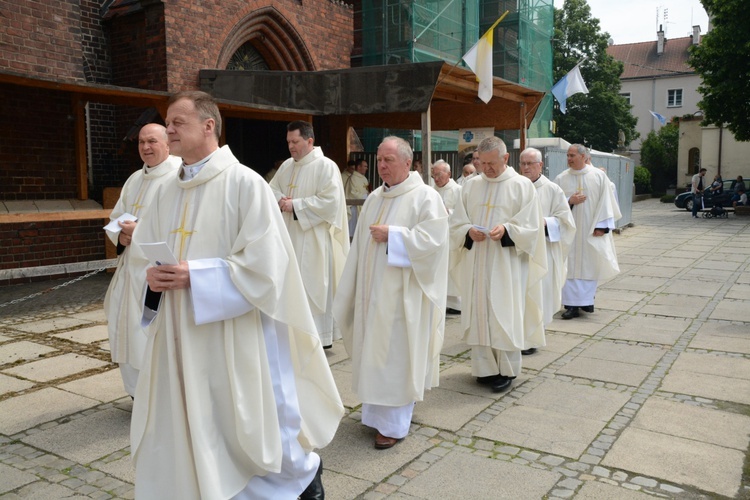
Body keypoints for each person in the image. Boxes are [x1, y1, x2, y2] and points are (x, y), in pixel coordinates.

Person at [130, 91, 343, 499]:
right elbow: (147, 253)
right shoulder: (164, 191)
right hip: (179, 328)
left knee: (243, 415)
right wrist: (152, 278)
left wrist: (198, 275)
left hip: (233, 327)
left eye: (178, 122)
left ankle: (299, 478)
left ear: (209, 126)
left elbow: (266, 267)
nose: (169, 130)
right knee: (197, 418)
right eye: (168, 123)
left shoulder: (245, 184)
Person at [333, 136, 449, 450]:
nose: (382, 166)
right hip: (372, 292)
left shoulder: (425, 197)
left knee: (396, 355)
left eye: (389, 160)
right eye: (380, 160)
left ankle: (394, 424)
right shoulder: (374, 199)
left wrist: (395, 236)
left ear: (407, 163)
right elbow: (359, 246)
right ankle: (375, 414)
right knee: (375, 352)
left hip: (403, 296)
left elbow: (435, 243)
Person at [450, 137, 546, 393]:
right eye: (482, 163)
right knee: (479, 311)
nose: (487, 169)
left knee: (504, 313)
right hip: (477, 261)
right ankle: (484, 369)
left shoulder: (522, 186)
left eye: (492, 163)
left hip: (506, 264)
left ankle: (506, 370)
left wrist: (507, 229)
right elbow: (456, 222)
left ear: (505, 158)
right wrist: (469, 230)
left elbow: (532, 227)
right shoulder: (470, 186)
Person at [103, 123, 181, 397]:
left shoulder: (178, 177)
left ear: (167, 143)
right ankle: (136, 392)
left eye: (152, 141)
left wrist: (141, 232)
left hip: (155, 270)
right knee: (124, 325)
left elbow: (180, 226)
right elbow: (118, 216)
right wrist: (121, 239)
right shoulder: (135, 178)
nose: (146, 147)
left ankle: (158, 395)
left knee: (150, 332)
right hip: (129, 271)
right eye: (141, 143)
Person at [269, 121, 350, 348]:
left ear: (310, 141)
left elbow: (330, 202)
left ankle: (319, 337)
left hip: (314, 239)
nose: (291, 147)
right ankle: (294, 334)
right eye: (288, 142)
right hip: (289, 236)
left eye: (295, 142)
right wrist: (280, 200)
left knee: (313, 284)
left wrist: (295, 204)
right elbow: (271, 188)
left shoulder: (326, 166)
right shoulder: (287, 166)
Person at [518, 148, 576, 355]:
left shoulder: (552, 190)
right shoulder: (515, 187)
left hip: (542, 250)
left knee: (538, 293)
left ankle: (533, 336)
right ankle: (519, 334)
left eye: (530, 164)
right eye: (522, 163)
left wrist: (545, 222)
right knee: (520, 294)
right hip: (519, 252)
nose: (525, 168)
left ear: (540, 165)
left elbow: (566, 222)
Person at [554, 144, 620, 320]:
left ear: (584, 157)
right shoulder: (561, 178)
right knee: (570, 266)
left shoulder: (598, 176)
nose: (569, 159)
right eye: (567, 155)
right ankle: (570, 306)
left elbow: (606, 202)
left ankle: (586, 301)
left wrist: (602, 226)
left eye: (572, 155)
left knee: (590, 265)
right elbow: (554, 204)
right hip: (570, 232)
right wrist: (570, 200)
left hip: (590, 231)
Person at [431, 159, 463, 314]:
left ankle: (456, 304)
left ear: (449, 174)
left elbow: (462, 214)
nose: (436, 179)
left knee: (453, 270)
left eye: (439, 175)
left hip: (452, 236)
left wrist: (446, 211)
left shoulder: (458, 190)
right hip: (435, 237)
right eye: (434, 175)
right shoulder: (431, 190)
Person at [344, 158, 369, 235]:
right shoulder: (353, 178)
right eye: (365, 166)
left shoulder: (363, 178)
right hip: (353, 208)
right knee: (353, 229)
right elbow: (353, 193)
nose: (366, 168)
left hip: (362, 206)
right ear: (358, 167)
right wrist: (366, 196)